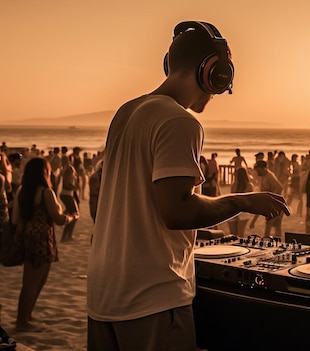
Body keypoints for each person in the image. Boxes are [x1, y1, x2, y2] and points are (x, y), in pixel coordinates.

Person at [86, 21, 289, 351]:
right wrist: (241, 201)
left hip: (104, 290)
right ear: (213, 71)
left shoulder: (126, 112)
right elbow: (177, 212)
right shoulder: (179, 121)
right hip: (152, 297)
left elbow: (134, 199)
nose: (219, 91)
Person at [13, 157, 78, 332]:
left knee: (36, 280)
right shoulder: (46, 193)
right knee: (33, 282)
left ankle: (27, 316)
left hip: (27, 238)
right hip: (42, 239)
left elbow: (15, 219)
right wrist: (72, 217)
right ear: (44, 172)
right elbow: (58, 218)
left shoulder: (21, 191)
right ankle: (22, 321)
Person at [249, 160, 284, 238]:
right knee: (274, 227)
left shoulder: (269, 176)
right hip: (271, 205)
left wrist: (272, 199)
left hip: (276, 206)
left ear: (263, 168)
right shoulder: (263, 176)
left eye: (258, 170)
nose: (257, 172)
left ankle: (271, 242)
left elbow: (280, 187)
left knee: (272, 226)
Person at [59, 155, 80, 242]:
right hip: (67, 194)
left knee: (72, 214)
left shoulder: (66, 169)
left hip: (67, 194)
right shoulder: (69, 169)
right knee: (75, 215)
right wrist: (74, 187)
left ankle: (67, 236)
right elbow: (66, 183)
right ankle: (66, 236)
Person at [228, 167, 253, 236]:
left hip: (233, 210)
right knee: (240, 235)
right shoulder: (249, 185)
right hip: (244, 211)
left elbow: (232, 198)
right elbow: (250, 200)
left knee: (232, 235)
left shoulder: (234, 185)